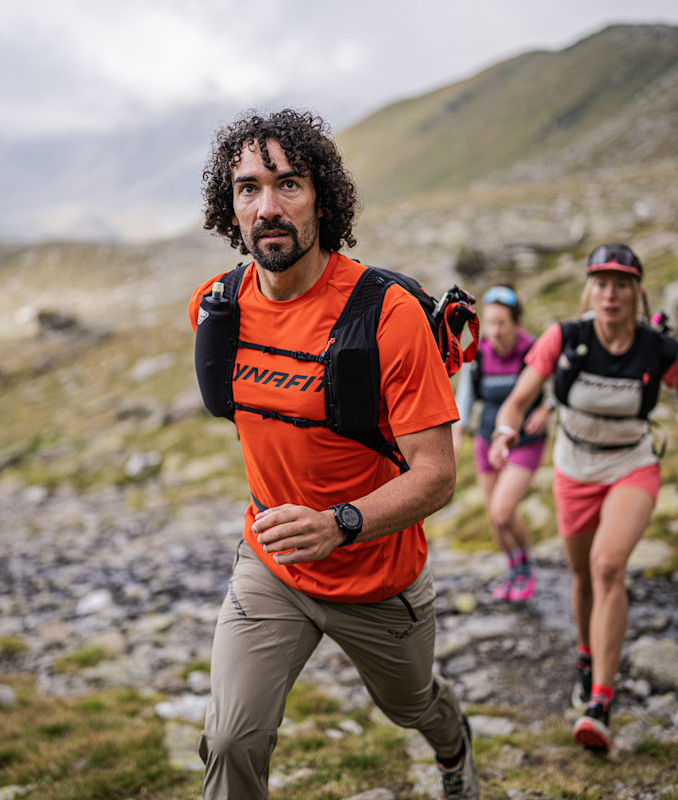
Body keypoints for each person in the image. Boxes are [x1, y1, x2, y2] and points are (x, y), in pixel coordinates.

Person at [188, 108, 479, 800]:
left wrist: (337, 523)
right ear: (229, 207)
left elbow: (437, 475)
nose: (269, 207)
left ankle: (453, 744)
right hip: (274, 564)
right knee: (230, 740)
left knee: (411, 706)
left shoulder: (386, 314)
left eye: (289, 184)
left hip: (377, 575)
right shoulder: (218, 306)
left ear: (324, 197)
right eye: (248, 188)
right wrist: (298, 533)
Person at [488, 244, 678, 754]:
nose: (611, 294)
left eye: (622, 285)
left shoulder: (659, 349)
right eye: (602, 283)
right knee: (582, 574)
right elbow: (521, 397)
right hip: (574, 468)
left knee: (608, 565)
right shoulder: (566, 338)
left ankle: (600, 703)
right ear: (590, 289)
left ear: (638, 292)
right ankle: (588, 655)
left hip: (631, 464)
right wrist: (505, 431)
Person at [452, 285, 550, 602]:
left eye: (502, 323)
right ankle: (513, 568)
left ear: (516, 323)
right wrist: (457, 435)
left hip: (525, 441)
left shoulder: (532, 349)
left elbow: (562, 385)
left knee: (503, 511)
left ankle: (526, 568)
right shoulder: (478, 353)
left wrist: (547, 410)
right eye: (489, 323)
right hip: (486, 441)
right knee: (494, 519)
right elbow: (464, 400)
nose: (494, 331)